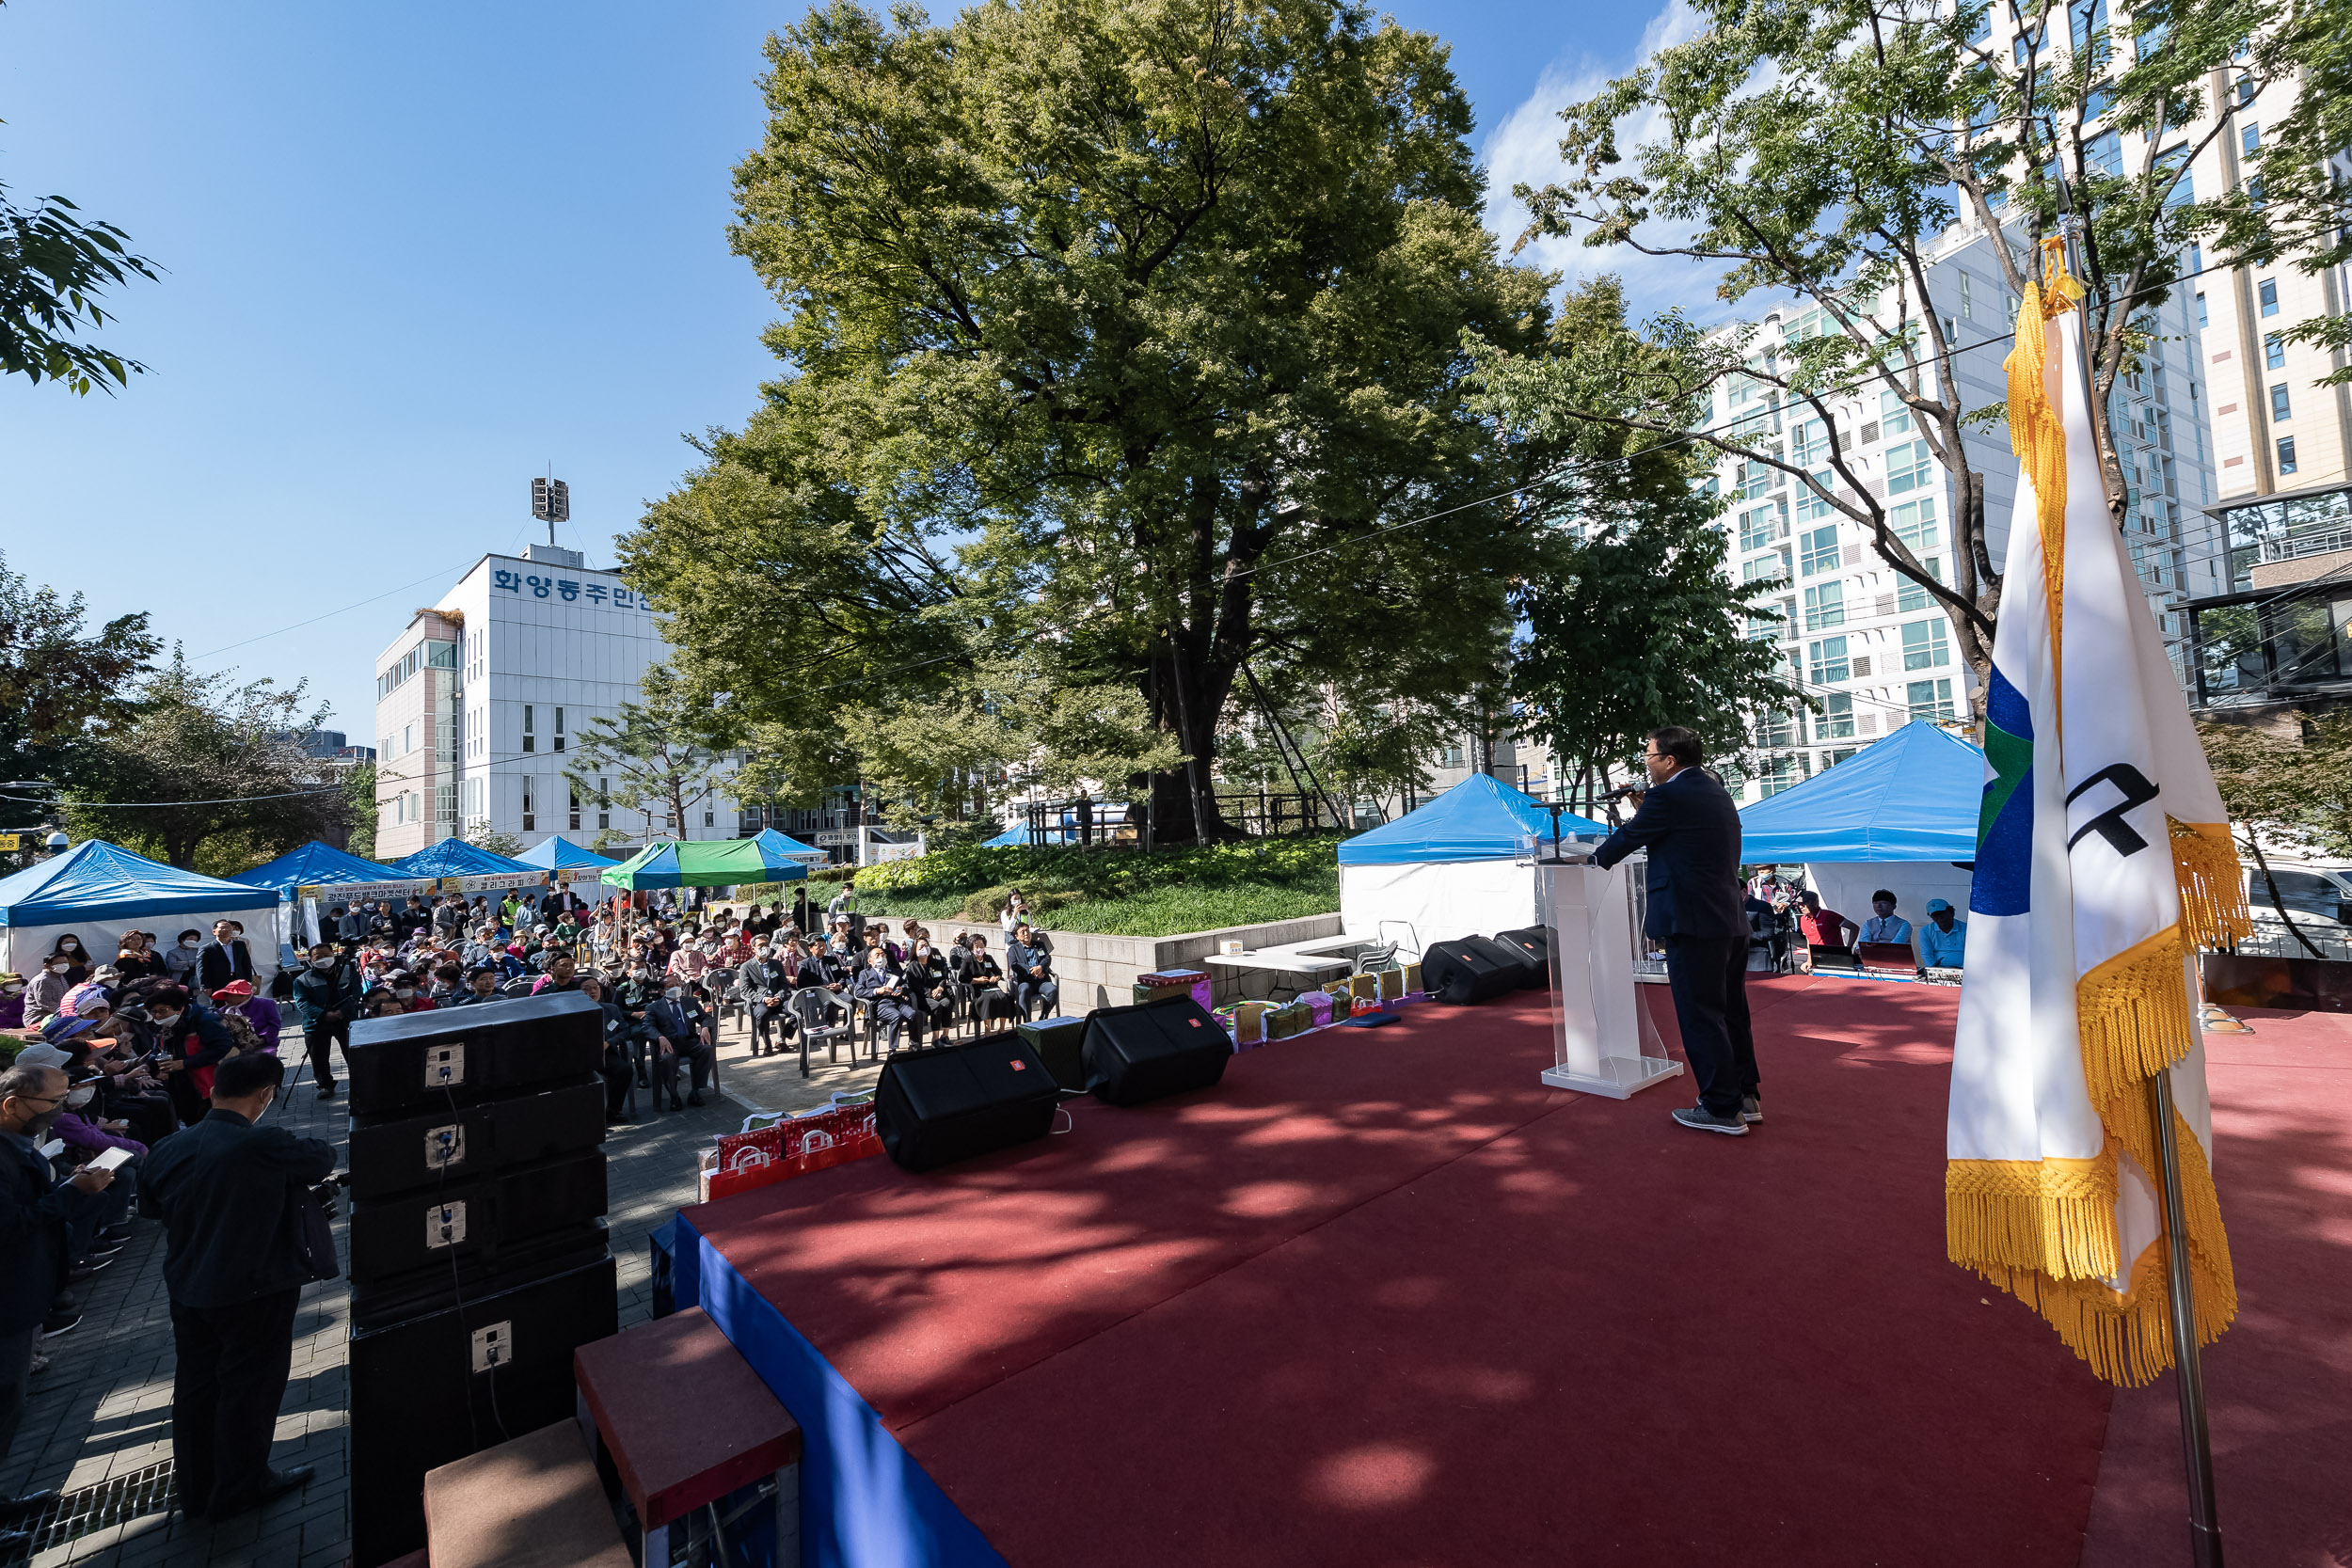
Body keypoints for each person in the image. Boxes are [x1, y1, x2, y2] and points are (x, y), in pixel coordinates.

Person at [138, 1052, 330, 1523]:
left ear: (212, 1089)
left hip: (187, 1285)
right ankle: (242, 1485)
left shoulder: (167, 1147)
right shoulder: (261, 1144)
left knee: (197, 1390)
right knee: (249, 1390)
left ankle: (197, 1488)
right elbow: (320, 1158)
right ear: (265, 1095)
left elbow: (150, 1209)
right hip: (253, 1290)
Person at [1587, 726, 1759, 1137]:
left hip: (1693, 921)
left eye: (1649, 754)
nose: (1645, 762)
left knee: (1700, 1014)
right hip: (1727, 918)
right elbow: (1684, 839)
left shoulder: (1668, 796)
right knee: (1731, 1011)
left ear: (1668, 760)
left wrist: (1594, 860)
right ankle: (1744, 1096)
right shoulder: (1714, 790)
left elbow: (1630, 836)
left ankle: (1721, 1108)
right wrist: (1648, 807)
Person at [287, 946, 358, 1100]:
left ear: (333, 955)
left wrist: (342, 1012)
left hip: (345, 1021)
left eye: (326, 955)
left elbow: (357, 994)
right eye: (317, 957)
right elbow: (302, 1003)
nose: (323, 959)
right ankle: (325, 1085)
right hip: (316, 1024)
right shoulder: (302, 979)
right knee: (318, 1057)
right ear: (311, 959)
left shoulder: (347, 972)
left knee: (353, 1053)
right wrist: (324, 1015)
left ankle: (360, 1081)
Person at [852, 947, 919, 1050]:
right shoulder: (864, 973)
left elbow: (906, 985)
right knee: (897, 1016)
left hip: (897, 1001)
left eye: (883, 955)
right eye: (877, 955)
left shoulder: (894, 971)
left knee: (913, 1014)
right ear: (870, 960)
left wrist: (901, 989)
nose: (881, 957)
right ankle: (892, 1049)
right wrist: (877, 991)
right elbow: (858, 991)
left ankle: (914, 1044)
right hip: (879, 1004)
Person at [1005, 923, 1059, 1020]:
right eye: (1023, 932)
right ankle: (1028, 1022)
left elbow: (1047, 958)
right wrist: (1032, 971)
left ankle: (1043, 1017)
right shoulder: (1013, 950)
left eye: (1027, 931)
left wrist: (1040, 967)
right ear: (1017, 936)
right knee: (1024, 990)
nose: (1026, 934)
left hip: (1042, 980)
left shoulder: (1039, 945)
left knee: (1053, 990)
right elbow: (1014, 965)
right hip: (1025, 981)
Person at [195, 920, 256, 996]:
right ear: (214, 931)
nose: (226, 930)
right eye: (223, 928)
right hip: (218, 982)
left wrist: (248, 980)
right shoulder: (207, 949)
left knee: (239, 1004)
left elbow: (246, 964)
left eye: (229, 928)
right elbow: (202, 969)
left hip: (238, 980)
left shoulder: (240, 945)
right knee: (219, 1005)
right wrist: (205, 986)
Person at [1795, 892, 1856, 959]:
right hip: (1816, 958)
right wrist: (1809, 960)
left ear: (1815, 903)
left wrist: (1848, 949)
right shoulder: (1803, 919)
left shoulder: (1828, 915)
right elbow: (1809, 940)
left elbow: (1854, 927)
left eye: (1805, 903)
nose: (1801, 906)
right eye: (1799, 903)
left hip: (1835, 957)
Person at [1919, 898, 1968, 969]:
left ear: (1952, 913)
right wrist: (1935, 970)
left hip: (1964, 969)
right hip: (1938, 970)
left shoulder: (1966, 928)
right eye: (1935, 915)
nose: (1940, 918)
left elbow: (1973, 954)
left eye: (1942, 914)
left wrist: (1963, 969)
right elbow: (1926, 955)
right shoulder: (1925, 931)